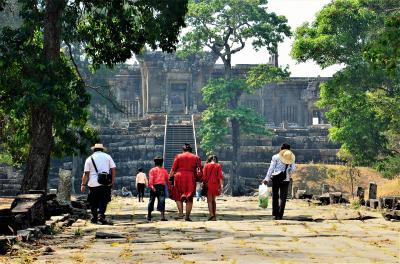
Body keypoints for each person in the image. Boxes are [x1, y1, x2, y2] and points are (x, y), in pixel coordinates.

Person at [81, 143, 116, 225]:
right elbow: (113, 169)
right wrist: (112, 180)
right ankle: (101, 215)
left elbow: (86, 173)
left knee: (93, 201)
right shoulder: (107, 157)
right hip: (105, 182)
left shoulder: (89, 159)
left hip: (93, 183)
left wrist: (83, 184)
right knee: (103, 200)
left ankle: (94, 217)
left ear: (94, 150)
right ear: (102, 149)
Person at [263, 143, 296, 220]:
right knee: (283, 198)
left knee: (275, 196)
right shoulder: (292, 157)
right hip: (286, 179)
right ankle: (280, 215)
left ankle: (275, 214)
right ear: (289, 150)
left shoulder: (275, 157)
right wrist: (288, 169)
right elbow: (293, 169)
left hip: (276, 178)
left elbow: (271, 168)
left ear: (281, 149)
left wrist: (266, 179)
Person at [169, 143, 201, 221]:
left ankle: (180, 213)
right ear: (191, 150)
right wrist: (199, 179)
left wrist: (170, 178)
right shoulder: (196, 157)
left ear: (183, 150)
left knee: (178, 195)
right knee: (189, 197)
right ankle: (187, 216)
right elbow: (199, 169)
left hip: (179, 177)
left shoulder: (178, 156)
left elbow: (173, 169)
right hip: (190, 177)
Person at [147, 156, 169, 221]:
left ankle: (149, 215)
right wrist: (170, 187)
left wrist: (152, 187)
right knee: (162, 201)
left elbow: (151, 179)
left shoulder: (152, 170)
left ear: (155, 163)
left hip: (154, 186)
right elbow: (167, 180)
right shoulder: (164, 170)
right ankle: (162, 216)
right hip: (161, 187)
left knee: (151, 201)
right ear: (162, 163)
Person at [202, 155, 223, 221]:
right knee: (213, 200)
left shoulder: (206, 165)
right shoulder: (218, 165)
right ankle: (214, 216)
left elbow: (204, 176)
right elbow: (220, 176)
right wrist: (221, 185)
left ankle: (211, 214)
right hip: (215, 184)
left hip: (208, 184)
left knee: (209, 201)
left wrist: (203, 183)